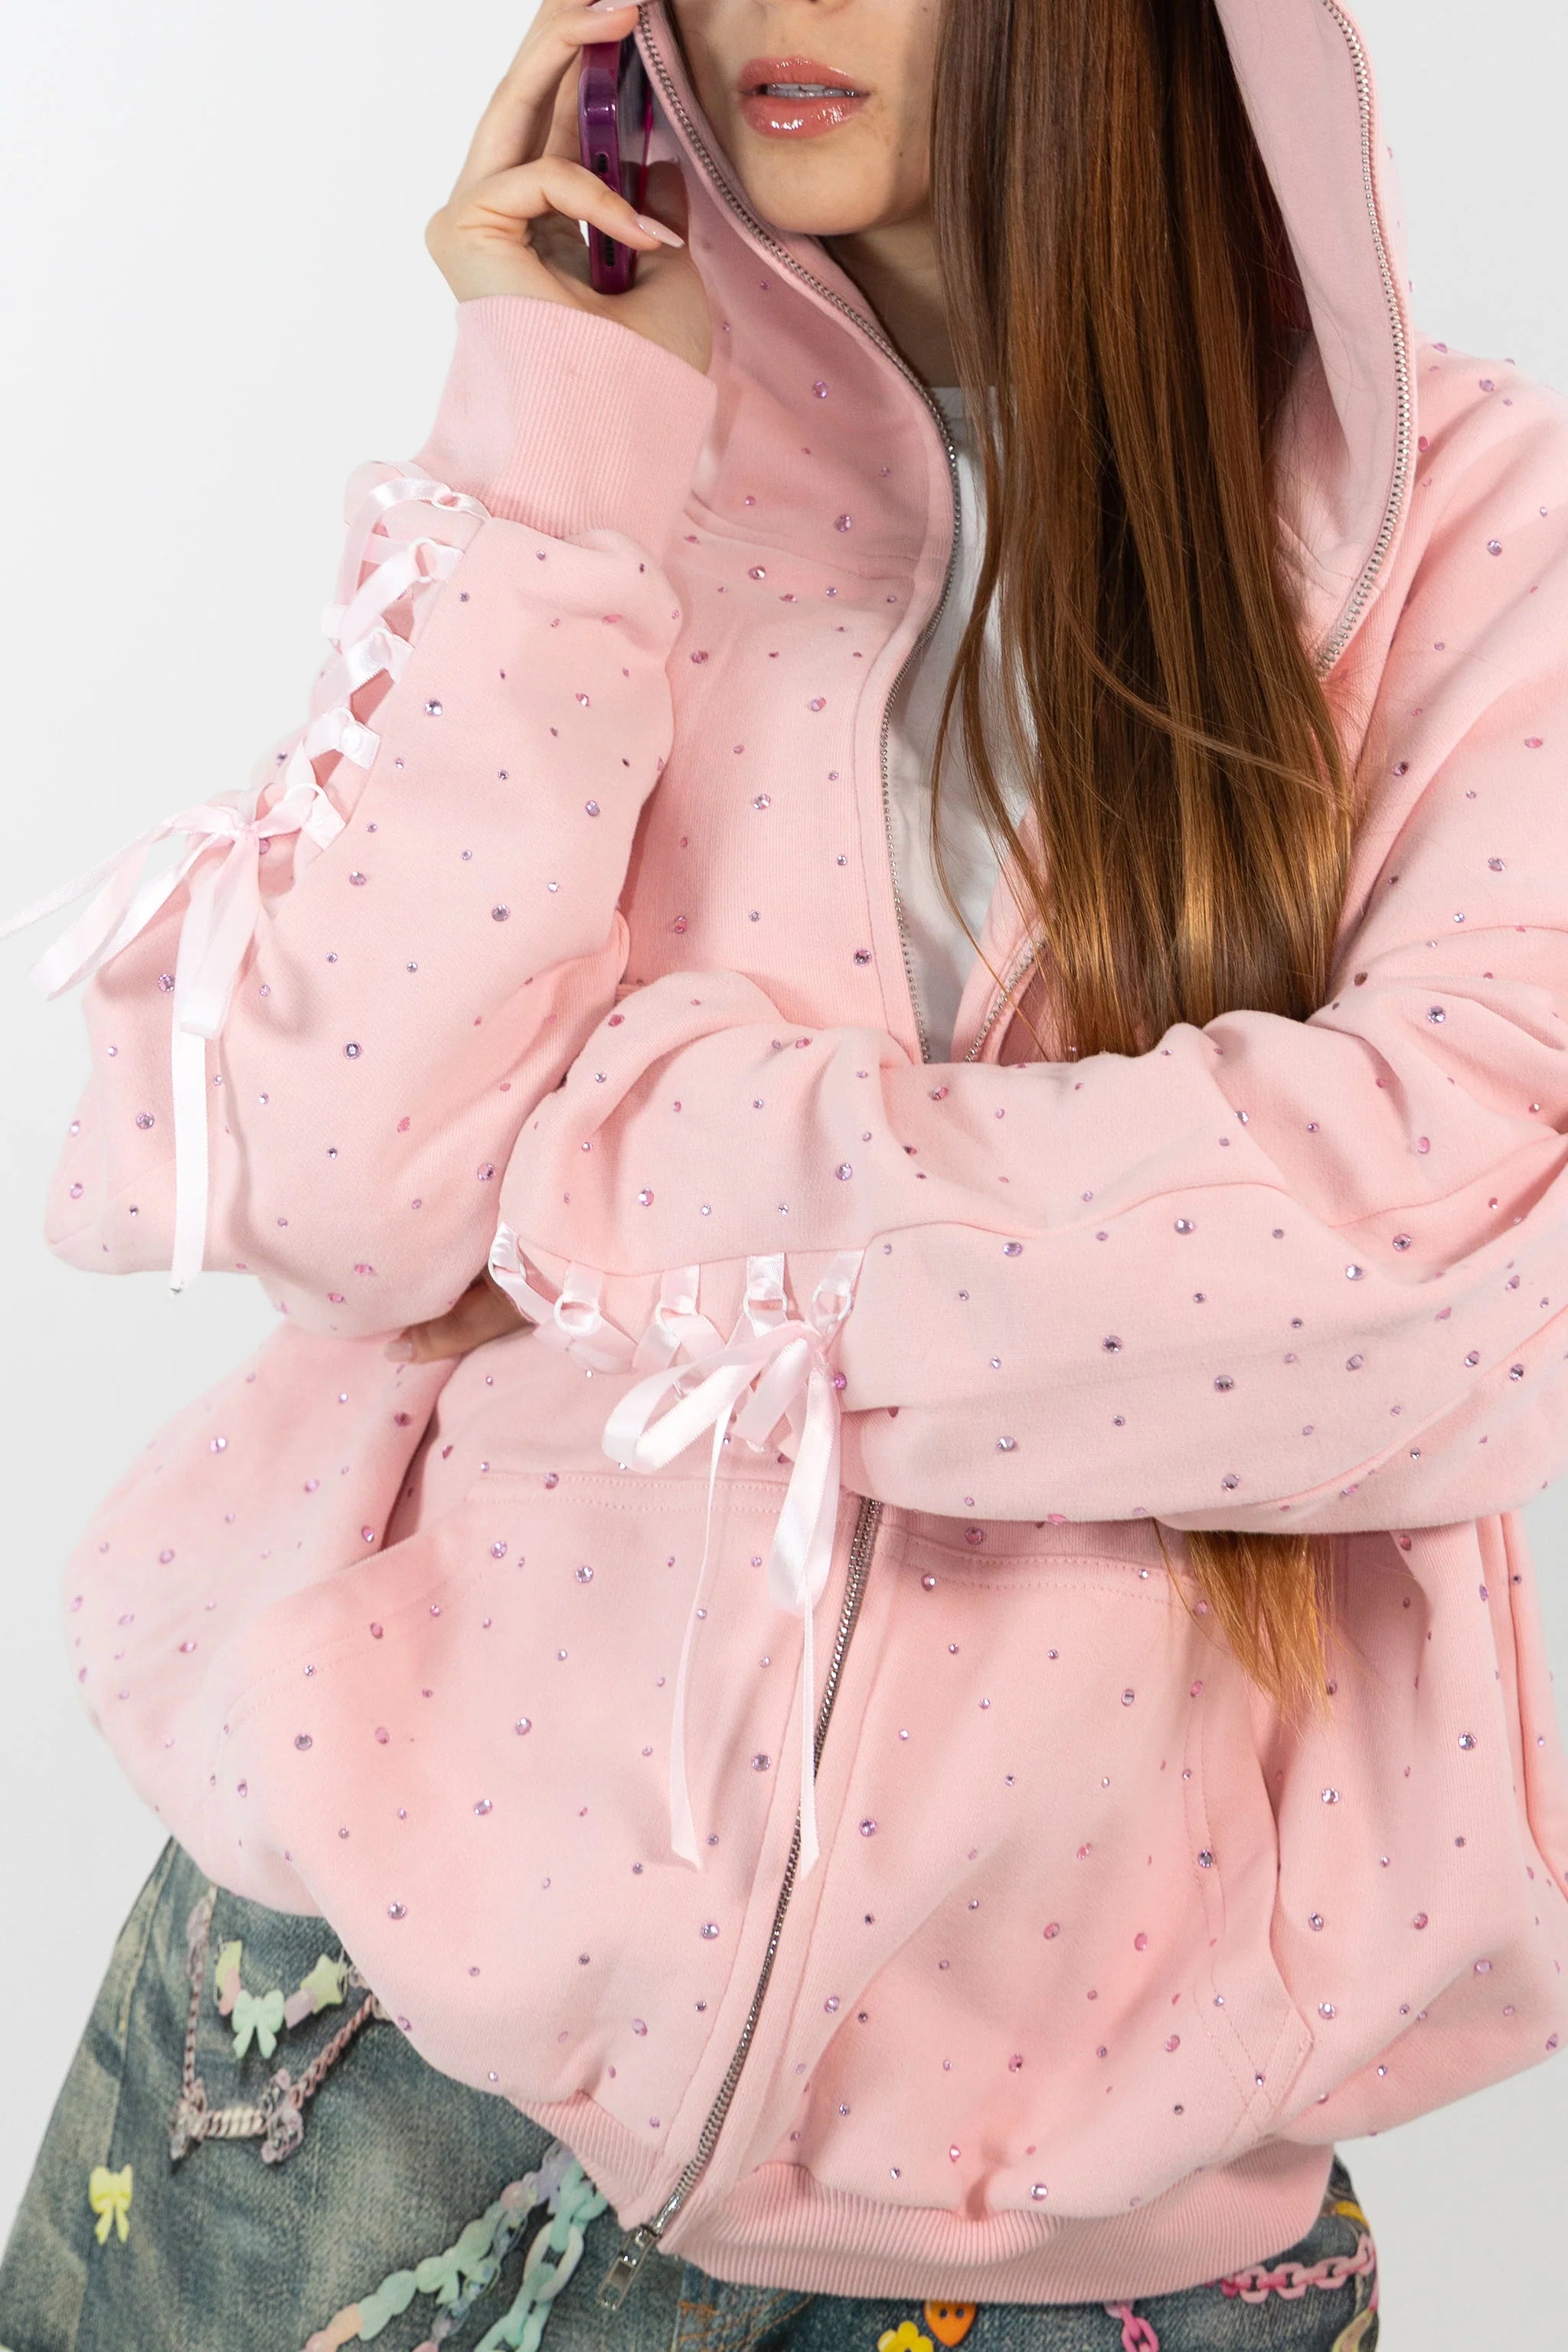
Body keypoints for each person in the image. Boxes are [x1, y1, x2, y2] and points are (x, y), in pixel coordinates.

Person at [8, 0, 1568, 2341]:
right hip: (353, 2074)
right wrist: (553, 427)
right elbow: (324, 1163)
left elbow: (1442, 1266)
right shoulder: (617, 473)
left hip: (1106, 2199)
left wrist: (603, 1160)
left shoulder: (1469, 531)